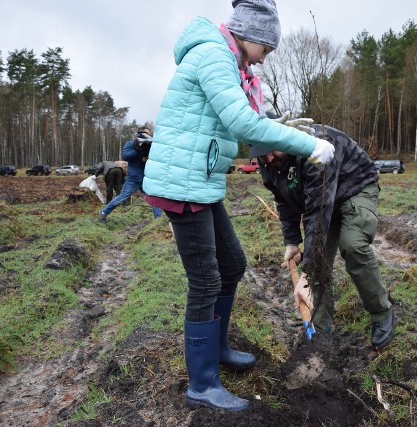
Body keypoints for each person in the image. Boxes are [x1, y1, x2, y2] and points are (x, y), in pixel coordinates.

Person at [141, 0, 334, 412]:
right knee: (206, 281)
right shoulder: (213, 54)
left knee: (232, 264)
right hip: (182, 185)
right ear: (253, 35)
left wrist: (287, 127)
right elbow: (242, 123)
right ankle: (202, 383)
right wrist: (311, 146)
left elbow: (255, 115)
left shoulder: (234, 63)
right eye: (268, 48)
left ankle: (218, 349)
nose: (266, 58)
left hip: (200, 182)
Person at [252, 124, 396, 349]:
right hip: (323, 199)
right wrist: (291, 241)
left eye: (272, 150)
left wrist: (306, 274)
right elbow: (283, 200)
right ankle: (321, 329)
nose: (268, 158)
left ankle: (382, 312)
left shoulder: (315, 149)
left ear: (285, 139)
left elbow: (318, 214)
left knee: (353, 245)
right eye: (261, 154)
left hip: (355, 188)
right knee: (318, 261)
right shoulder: (268, 162)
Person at [98, 127, 162, 222]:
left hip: (146, 177)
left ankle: (158, 219)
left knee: (153, 197)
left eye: (148, 134)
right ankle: (103, 213)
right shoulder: (130, 144)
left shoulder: (150, 145)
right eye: (143, 133)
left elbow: (157, 158)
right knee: (122, 197)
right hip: (133, 179)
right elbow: (126, 156)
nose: (146, 136)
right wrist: (138, 149)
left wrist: (148, 158)